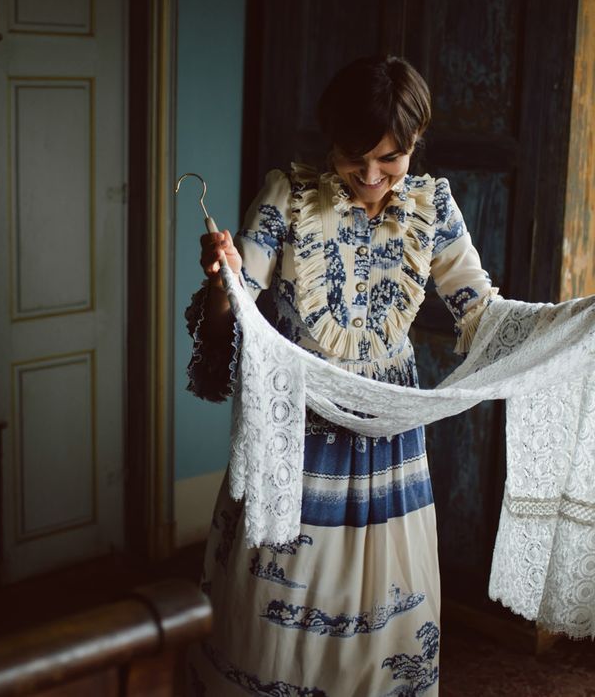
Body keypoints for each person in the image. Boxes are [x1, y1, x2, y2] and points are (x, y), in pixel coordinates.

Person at [184, 55, 498, 696]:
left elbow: (482, 310)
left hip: (389, 441)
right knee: (281, 608)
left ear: (415, 145)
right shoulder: (288, 197)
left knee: (386, 604)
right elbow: (234, 314)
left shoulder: (431, 207)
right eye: (357, 156)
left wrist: (567, 324)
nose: (373, 176)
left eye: (392, 157)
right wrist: (222, 283)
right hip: (296, 435)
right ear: (331, 140)